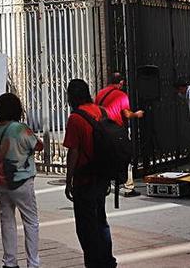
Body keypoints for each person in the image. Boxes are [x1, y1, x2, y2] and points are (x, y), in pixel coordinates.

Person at [0, 92, 44, 268]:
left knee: (7, 220)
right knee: (31, 221)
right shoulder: (20, 129)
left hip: (1, 182)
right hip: (22, 180)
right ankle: (33, 263)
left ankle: (9, 262)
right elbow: (39, 145)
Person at [63, 78, 116, 268]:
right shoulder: (100, 111)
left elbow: (73, 152)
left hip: (85, 178)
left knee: (86, 225)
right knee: (101, 219)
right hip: (102, 174)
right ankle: (107, 260)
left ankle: (94, 262)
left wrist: (68, 181)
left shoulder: (75, 118)